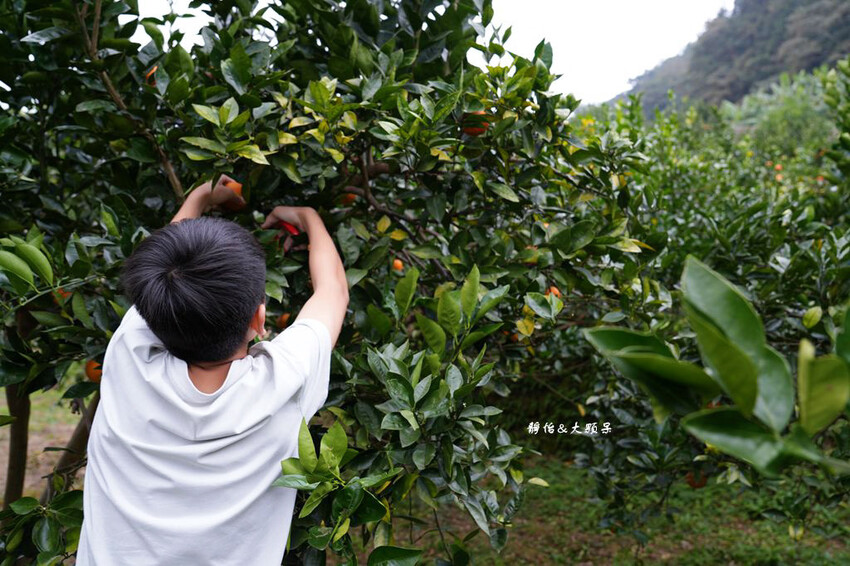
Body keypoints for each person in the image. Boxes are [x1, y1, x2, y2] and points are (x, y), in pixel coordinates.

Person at [76, 175, 349, 565]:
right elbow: (333, 290)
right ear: (259, 318)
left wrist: (201, 195)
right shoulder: (284, 382)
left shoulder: (128, 357)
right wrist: (307, 217)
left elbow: (164, 279)